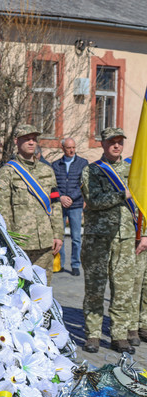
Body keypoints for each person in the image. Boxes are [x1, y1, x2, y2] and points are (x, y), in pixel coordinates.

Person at [80, 127, 141, 354]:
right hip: (97, 239)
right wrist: (121, 195)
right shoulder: (92, 171)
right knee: (95, 288)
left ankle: (119, 335)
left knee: (123, 289)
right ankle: (93, 335)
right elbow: (93, 200)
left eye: (119, 142)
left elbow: (142, 206)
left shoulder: (132, 171)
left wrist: (143, 234)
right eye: (111, 142)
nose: (116, 146)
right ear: (103, 145)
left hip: (125, 238)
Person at [0, 125, 63, 285]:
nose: (31, 142)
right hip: (20, 244)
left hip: (45, 242)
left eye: (33, 139)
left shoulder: (47, 170)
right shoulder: (6, 172)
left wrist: (58, 233)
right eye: (26, 139)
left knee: (43, 288)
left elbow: (55, 204)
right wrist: (9, 241)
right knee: (20, 289)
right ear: (16, 141)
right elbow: (1, 210)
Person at [51, 138, 88, 276]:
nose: (71, 150)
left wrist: (71, 197)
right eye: (68, 148)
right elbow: (53, 184)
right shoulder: (56, 165)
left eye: (73, 147)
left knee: (76, 237)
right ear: (63, 149)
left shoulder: (82, 163)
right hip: (60, 205)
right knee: (58, 235)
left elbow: (83, 184)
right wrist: (60, 197)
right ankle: (59, 264)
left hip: (76, 204)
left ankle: (75, 264)